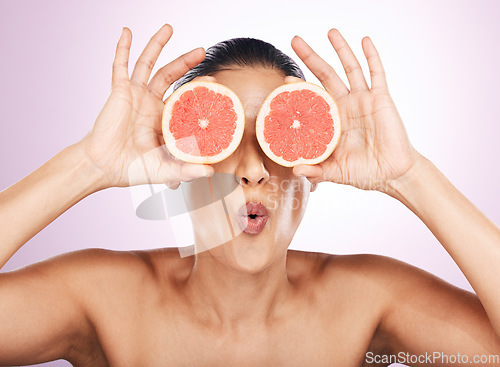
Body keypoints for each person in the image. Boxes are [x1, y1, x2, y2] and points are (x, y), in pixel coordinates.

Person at [0, 23, 499, 366]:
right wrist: (87, 166)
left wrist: (408, 175)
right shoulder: (104, 298)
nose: (253, 170)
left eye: (278, 139)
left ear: (313, 166)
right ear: (177, 157)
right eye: (222, 140)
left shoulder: (369, 302)